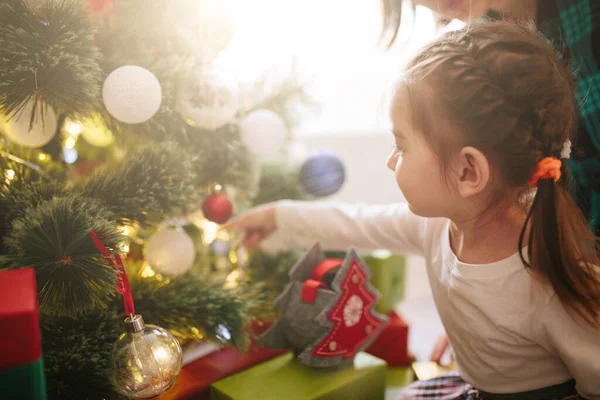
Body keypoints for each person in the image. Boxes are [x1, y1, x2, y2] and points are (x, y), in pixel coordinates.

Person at [225, 22, 600, 399]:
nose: (391, 161)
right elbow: (358, 224)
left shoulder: (550, 279)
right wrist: (279, 218)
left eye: (401, 146)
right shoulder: (437, 226)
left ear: (468, 172)